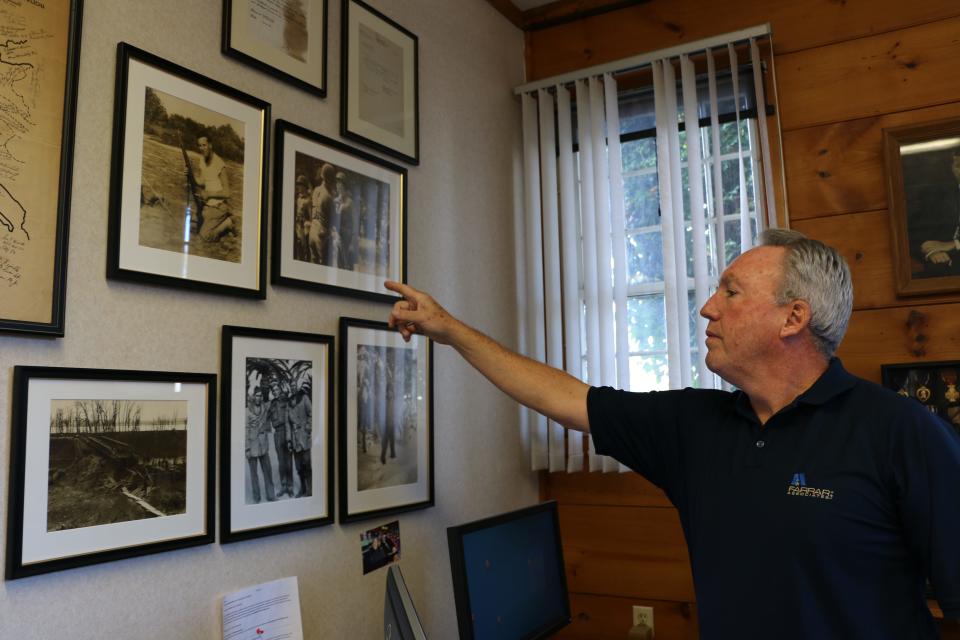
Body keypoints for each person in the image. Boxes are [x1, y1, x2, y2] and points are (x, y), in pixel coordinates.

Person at [385, 229, 960, 638]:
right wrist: (450, 330)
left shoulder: (901, 433)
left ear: (793, 317)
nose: (708, 307)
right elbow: (564, 397)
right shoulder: (697, 427)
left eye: (731, 292)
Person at [909, 148, 960, 276]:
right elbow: (913, 234)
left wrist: (954, 244)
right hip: (944, 270)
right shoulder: (938, 197)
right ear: (952, 168)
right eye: (958, 166)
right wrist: (931, 251)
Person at [191, 134, 235, 241]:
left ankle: (228, 223)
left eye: (204, 145)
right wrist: (190, 173)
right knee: (192, 227)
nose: (202, 148)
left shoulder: (219, 164)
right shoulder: (202, 160)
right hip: (207, 206)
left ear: (210, 145)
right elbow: (201, 181)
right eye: (199, 146)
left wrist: (208, 194)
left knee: (204, 237)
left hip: (218, 207)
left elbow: (227, 193)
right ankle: (216, 220)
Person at [245, 388, 275, 503]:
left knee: (268, 471)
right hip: (252, 446)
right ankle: (256, 498)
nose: (259, 398)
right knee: (254, 474)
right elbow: (245, 430)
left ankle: (271, 496)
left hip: (263, 446)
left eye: (261, 396)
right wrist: (247, 448)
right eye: (257, 395)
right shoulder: (247, 410)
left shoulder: (264, 408)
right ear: (253, 397)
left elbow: (272, 402)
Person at [267, 383, 294, 498]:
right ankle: (283, 486)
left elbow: (292, 412)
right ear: (272, 392)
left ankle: (290, 487)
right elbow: (266, 417)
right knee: (281, 462)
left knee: (289, 461)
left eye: (277, 389)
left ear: (280, 389)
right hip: (277, 433)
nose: (275, 391)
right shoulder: (272, 404)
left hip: (287, 431)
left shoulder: (286, 400)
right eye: (274, 390)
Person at [286, 381, 312, 498]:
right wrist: (288, 439)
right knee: (298, 467)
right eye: (291, 386)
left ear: (296, 386)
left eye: (294, 385)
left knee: (307, 464)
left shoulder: (304, 398)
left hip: (304, 437)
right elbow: (287, 423)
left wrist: (307, 428)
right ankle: (303, 489)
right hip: (295, 438)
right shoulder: (288, 403)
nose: (292, 388)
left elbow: (311, 413)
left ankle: (310, 491)